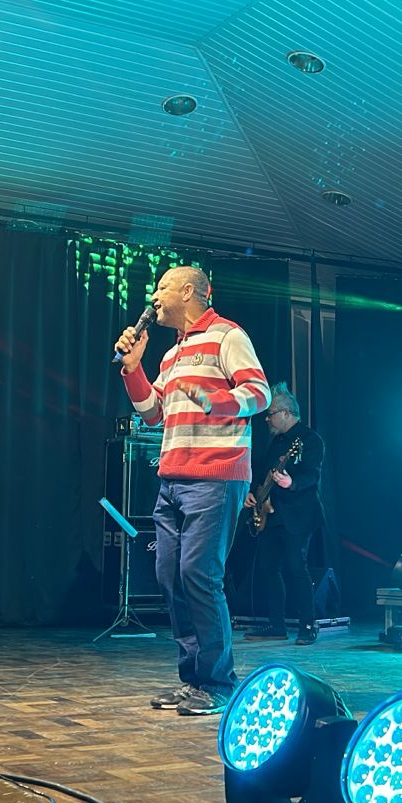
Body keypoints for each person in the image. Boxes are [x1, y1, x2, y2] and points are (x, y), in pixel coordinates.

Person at [114, 267, 271, 717]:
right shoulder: (171, 354)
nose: (154, 295)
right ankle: (194, 681)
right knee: (170, 577)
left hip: (215, 476)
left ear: (188, 291)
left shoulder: (227, 336)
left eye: (162, 287)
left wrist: (217, 401)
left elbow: (259, 393)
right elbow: (153, 414)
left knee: (199, 576)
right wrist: (133, 368)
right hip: (173, 477)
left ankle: (219, 683)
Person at [243, 384, 325, 645]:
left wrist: (292, 483)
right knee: (268, 568)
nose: (267, 419)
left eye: (271, 414)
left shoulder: (310, 440)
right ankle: (277, 625)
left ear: (287, 413)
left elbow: (312, 474)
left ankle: (308, 625)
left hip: (298, 515)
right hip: (272, 515)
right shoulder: (276, 442)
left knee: (296, 567)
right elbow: (262, 473)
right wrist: (252, 493)